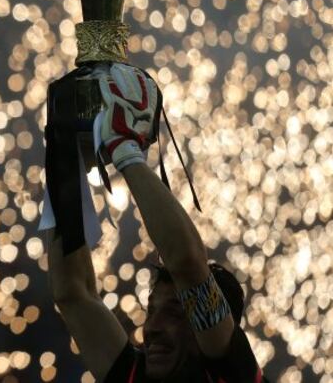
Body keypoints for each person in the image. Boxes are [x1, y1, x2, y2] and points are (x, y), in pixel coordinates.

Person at [45, 63, 268, 382]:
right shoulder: (137, 373)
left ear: (222, 326)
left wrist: (123, 148)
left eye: (175, 313)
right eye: (151, 311)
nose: (152, 329)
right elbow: (72, 292)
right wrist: (64, 160)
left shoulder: (232, 375)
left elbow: (189, 266)